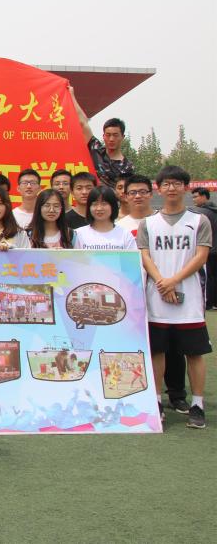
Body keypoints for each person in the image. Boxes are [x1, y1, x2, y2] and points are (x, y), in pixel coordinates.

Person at [138, 165, 211, 429]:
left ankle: (197, 404)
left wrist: (173, 281)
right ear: (159, 189)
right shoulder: (148, 223)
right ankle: (156, 401)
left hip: (189, 299)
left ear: (186, 188)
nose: (171, 188)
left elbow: (201, 256)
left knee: (194, 353)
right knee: (157, 351)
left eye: (177, 183)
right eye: (166, 184)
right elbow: (145, 255)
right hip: (156, 297)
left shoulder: (199, 221)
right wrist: (162, 281)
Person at [71, 87, 134, 188]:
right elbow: (83, 123)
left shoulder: (127, 166)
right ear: (103, 136)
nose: (111, 139)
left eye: (115, 135)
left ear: (122, 137)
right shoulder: (96, 150)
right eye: (108, 135)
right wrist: (71, 95)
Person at [190, 187, 217, 309]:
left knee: (208, 277)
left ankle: (209, 302)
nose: (194, 199)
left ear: (204, 196)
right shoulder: (214, 211)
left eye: (196, 197)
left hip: (207, 250)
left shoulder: (200, 213)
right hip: (213, 249)